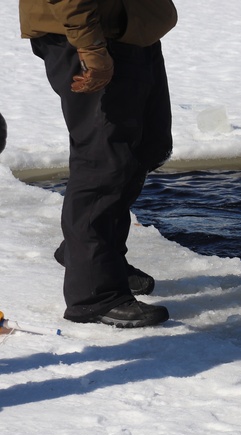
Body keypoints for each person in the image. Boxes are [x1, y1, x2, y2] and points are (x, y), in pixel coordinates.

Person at [20, 0, 177, 328]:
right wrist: (91, 47)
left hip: (129, 29)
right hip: (90, 36)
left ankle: (94, 257)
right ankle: (94, 294)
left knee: (148, 145)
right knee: (104, 162)